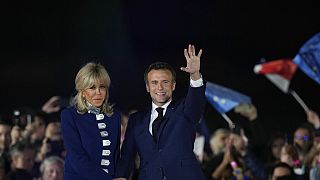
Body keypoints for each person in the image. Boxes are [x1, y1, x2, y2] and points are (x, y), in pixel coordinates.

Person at [115, 44, 206, 180]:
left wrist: (195, 75)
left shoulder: (184, 110)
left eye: (165, 82)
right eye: (154, 82)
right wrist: (121, 176)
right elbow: (127, 155)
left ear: (173, 85)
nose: (160, 87)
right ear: (147, 87)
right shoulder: (136, 120)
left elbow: (195, 102)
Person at [60, 62, 121, 179]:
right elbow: (76, 157)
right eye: (92, 87)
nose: (98, 92)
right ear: (82, 92)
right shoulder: (69, 116)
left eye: (102, 87)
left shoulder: (114, 116)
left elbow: (115, 155)